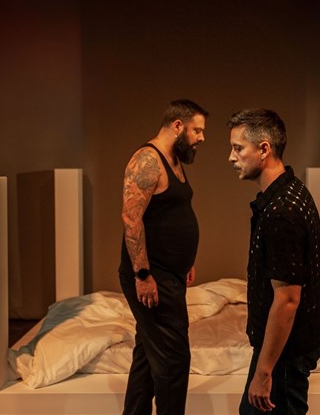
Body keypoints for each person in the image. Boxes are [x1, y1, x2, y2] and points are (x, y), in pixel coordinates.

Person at [227, 108, 320, 415]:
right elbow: (313, 249)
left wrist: (263, 373)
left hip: (286, 350)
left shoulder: (281, 211)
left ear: (264, 149)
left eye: (238, 148)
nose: (231, 157)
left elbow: (287, 299)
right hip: (292, 345)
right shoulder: (294, 189)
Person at [119, 99, 208, 415]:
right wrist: (143, 275)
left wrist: (185, 260)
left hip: (170, 273)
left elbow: (170, 213)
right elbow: (131, 219)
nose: (201, 138)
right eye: (197, 130)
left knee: (147, 356)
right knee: (173, 360)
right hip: (152, 275)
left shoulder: (174, 160)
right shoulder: (147, 160)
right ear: (178, 125)